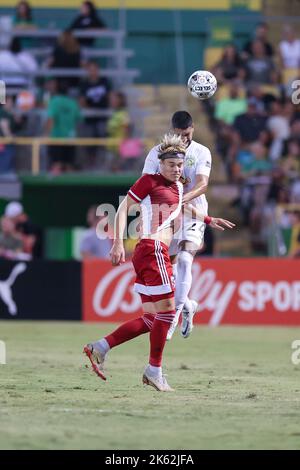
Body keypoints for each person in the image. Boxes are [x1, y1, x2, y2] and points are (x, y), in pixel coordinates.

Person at [83, 134, 234, 391]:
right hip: (152, 249)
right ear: (160, 164)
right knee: (167, 314)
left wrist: (209, 219)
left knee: (153, 319)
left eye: (179, 165)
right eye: (171, 165)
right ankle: (154, 371)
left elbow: (182, 208)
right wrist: (118, 243)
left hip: (150, 252)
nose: (176, 169)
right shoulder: (149, 181)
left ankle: (100, 347)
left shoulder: (177, 187)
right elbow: (122, 210)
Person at [142, 111, 213, 340]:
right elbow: (146, 183)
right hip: (167, 213)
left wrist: (181, 197)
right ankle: (188, 304)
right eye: (179, 135)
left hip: (193, 212)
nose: (183, 139)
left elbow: (202, 184)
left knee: (184, 259)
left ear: (193, 128)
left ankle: (172, 318)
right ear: (172, 131)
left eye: (187, 134)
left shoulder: (201, 151)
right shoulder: (157, 153)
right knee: (168, 270)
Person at [45, 80, 81, 173]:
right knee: (69, 165)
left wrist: (47, 135)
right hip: (70, 138)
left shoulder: (54, 102)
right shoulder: (73, 103)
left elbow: (51, 119)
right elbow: (79, 119)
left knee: (56, 164)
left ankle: (54, 186)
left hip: (56, 138)